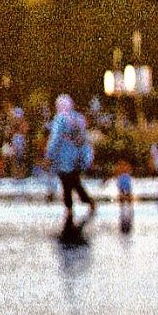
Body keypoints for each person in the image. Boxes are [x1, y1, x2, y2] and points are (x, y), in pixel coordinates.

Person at [44, 94, 96, 225]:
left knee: (67, 183)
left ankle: (70, 208)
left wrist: (49, 155)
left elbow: (55, 139)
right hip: (78, 157)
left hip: (63, 158)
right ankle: (87, 202)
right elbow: (84, 138)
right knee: (74, 181)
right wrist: (86, 157)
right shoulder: (79, 118)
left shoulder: (60, 119)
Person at [113, 158, 135, 233]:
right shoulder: (120, 170)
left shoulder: (126, 169)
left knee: (128, 195)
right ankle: (124, 206)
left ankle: (129, 207)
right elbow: (116, 173)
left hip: (125, 182)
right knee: (122, 195)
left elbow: (129, 171)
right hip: (122, 182)